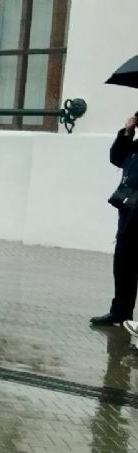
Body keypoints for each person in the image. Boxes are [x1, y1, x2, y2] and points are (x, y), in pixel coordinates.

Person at [92, 113, 138, 328]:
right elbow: (116, 157)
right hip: (129, 216)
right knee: (123, 267)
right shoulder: (135, 145)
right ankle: (120, 313)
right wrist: (127, 133)